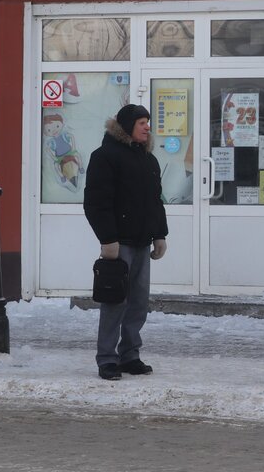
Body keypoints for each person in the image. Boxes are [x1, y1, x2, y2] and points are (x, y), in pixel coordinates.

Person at [83, 103, 169, 381]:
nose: (147, 126)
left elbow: (155, 203)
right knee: (114, 301)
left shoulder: (148, 160)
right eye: (141, 122)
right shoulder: (105, 156)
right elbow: (96, 203)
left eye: (147, 121)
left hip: (142, 242)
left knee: (138, 303)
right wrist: (108, 239)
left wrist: (160, 235)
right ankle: (107, 358)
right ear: (126, 126)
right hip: (119, 245)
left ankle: (130, 354)